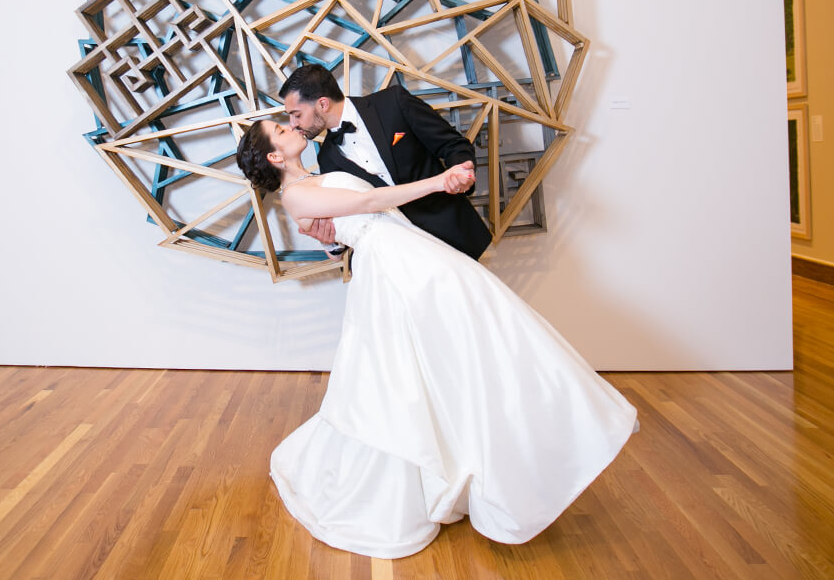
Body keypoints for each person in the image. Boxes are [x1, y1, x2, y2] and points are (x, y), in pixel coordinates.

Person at [236, 119, 638, 559]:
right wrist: (437, 182)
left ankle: (502, 442)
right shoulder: (294, 193)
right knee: (415, 363)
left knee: (467, 340)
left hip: (406, 249)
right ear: (275, 156)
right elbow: (367, 200)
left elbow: (345, 224)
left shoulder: (316, 174)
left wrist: (334, 239)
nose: (291, 124)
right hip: (394, 263)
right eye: (280, 127)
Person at [279, 64, 492, 260]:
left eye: (296, 114)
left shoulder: (393, 102)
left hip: (456, 235)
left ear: (323, 104)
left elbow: (453, 145)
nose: (293, 124)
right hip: (402, 259)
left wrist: (463, 175)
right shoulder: (327, 158)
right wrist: (331, 243)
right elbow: (351, 218)